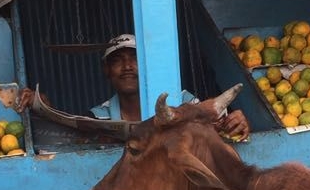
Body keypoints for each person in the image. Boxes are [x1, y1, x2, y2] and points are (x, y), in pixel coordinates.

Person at [17, 33, 250, 138]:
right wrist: (44, 109)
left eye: (134, 58)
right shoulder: (98, 117)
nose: (127, 66)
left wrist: (235, 123)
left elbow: (223, 131)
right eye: (117, 61)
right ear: (106, 71)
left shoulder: (185, 101)